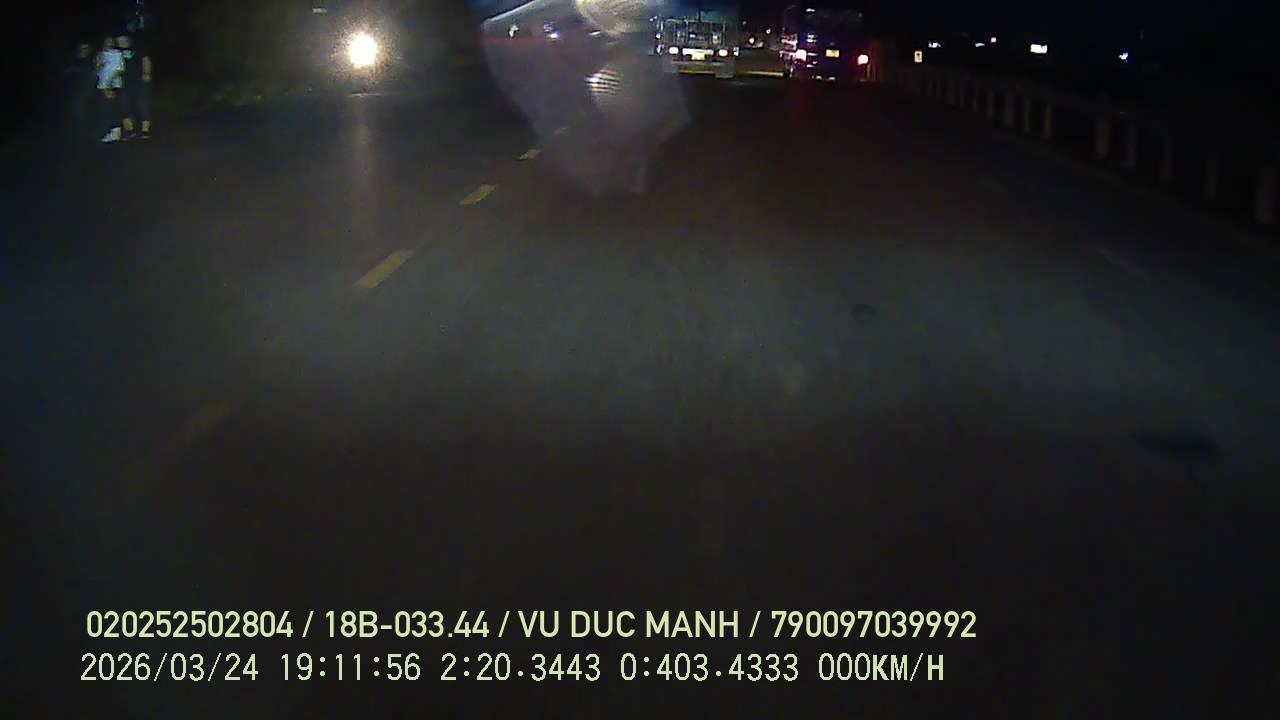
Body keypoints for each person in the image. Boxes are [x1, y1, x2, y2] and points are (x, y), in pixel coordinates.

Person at [96, 36, 125, 143]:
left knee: (112, 109)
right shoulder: (101, 54)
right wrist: (98, 63)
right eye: (106, 41)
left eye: (110, 41)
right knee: (105, 110)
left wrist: (109, 84)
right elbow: (98, 70)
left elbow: (120, 70)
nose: (108, 43)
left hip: (113, 85)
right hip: (102, 85)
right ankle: (111, 132)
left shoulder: (117, 54)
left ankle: (115, 133)